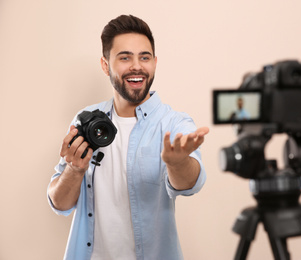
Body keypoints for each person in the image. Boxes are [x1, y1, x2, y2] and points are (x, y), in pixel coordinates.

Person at [47, 14, 209, 260]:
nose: (137, 66)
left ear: (154, 63)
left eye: (144, 57)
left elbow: (189, 183)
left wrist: (177, 163)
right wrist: (74, 170)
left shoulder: (174, 123)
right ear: (105, 65)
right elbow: (60, 203)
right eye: (125, 58)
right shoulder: (85, 120)